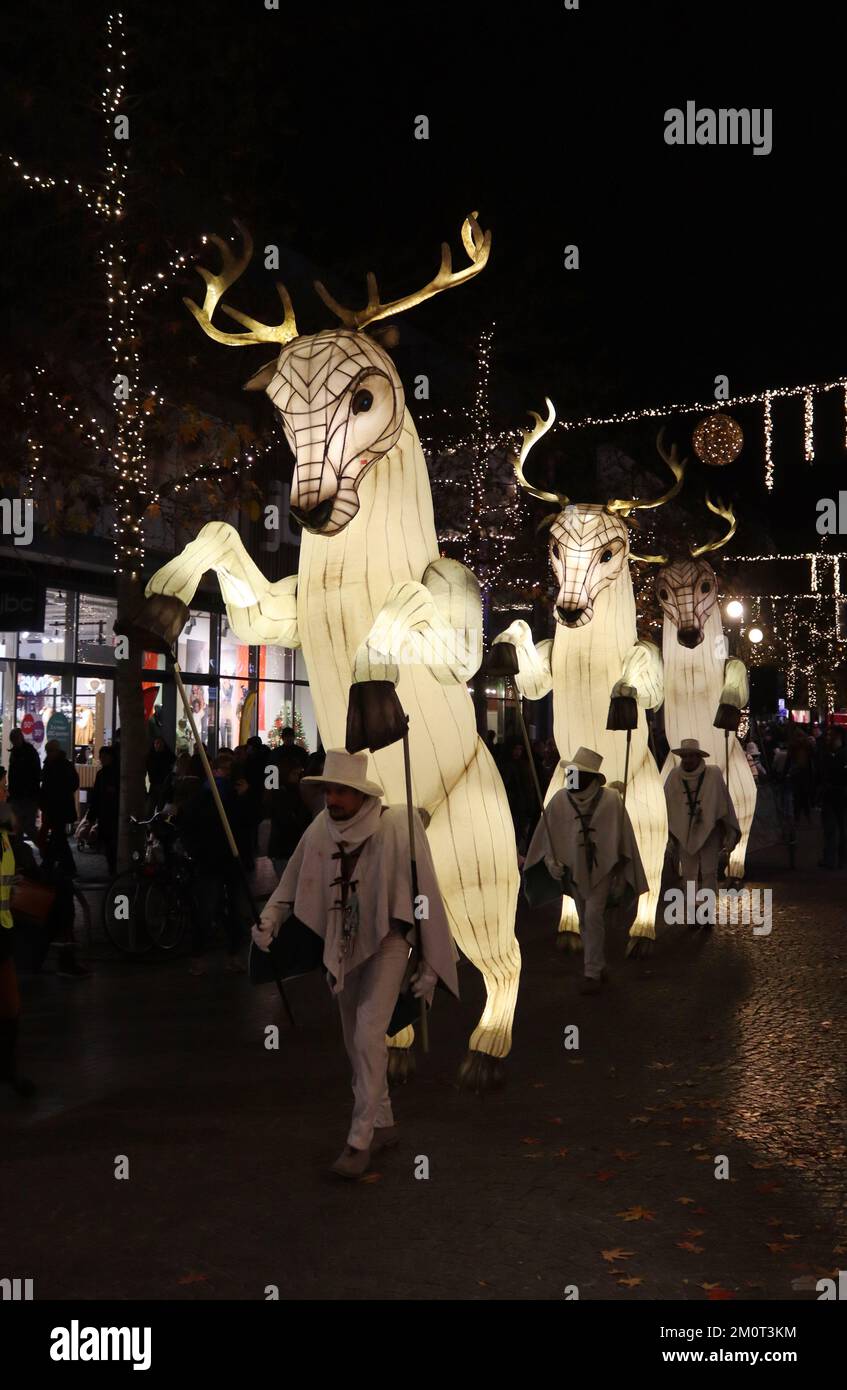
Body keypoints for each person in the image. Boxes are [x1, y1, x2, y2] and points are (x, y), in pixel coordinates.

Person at [253, 749, 459, 1179]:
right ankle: (383, 1122)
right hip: (341, 947)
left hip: (387, 943)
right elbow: (292, 881)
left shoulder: (395, 828)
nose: (333, 799)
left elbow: (424, 892)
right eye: (328, 790)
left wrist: (429, 961)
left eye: (341, 791)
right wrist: (271, 916)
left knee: (367, 1033)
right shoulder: (320, 830)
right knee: (354, 1040)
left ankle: (359, 1140)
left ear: (360, 794)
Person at [523, 747, 647, 994]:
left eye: (576, 773)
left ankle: (591, 972)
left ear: (589, 777)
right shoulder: (560, 799)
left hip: (602, 872)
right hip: (573, 870)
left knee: (592, 916)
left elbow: (623, 837)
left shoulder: (611, 800)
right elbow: (549, 835)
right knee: (585, 918)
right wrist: (551, 862)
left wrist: (621, 872)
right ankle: (598, 965)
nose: (571, 777)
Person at [179, 751, 250, 975]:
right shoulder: (203, 797)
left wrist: (244, 798)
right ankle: (199, 956)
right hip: (210, 861)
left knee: (236, 910)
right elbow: (190, 824)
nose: (223, 775)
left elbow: (247, 824)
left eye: (228, 771)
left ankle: (233, 954)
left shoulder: (234, 797)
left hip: (231, 861)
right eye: (221, 770)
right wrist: (196, 852)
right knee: (207, 909)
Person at [664, 738, 741, 926]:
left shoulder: (713, 774)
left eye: (692, 756)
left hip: (710, 832)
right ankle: (692, 914)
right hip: (684, 833)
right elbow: (667, 806)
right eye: (685, 756)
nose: (688, 759)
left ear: (698, 756)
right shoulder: (674, 777)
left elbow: (723, 802)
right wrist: (670, 833)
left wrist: (726, 828)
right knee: (689, 875)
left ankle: (706, 913)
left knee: (708, 872)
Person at [0, 768, 36, 1096]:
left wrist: (14, 886)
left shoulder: (3, 832)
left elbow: (14, 823)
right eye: (1, 787)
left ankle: (8, 1069)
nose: (5, 792)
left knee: (10, 1006)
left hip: (3, 928)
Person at [266, 753, 312, 879]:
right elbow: (286, 821)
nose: (297, 777)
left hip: (284, 847)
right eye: (295, 774)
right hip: (285, 848)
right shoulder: (282, 793)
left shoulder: (286, 791)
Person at [39, 739, 79, 879]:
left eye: (50, 751)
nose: (49, 754)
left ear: (56, 751)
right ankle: (56, 864)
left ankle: (55, 864)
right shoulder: (57, 765)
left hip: (58, 807)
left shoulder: (60, 765)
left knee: (58, 837)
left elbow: (72, 784)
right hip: (57, 807)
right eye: (48, 751)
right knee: (58, 837)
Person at [818, 725, 847, 870]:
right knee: (831, 829)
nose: (828, 738)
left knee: (841, 829)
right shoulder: (826, 754)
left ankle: (839, 859)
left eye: (831, 736)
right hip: (830, 795)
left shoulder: (841, 754)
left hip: (840, 794)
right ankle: (831, 859)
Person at [87, 745, 119, 875]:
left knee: (112, 844)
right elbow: (96, 796)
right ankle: (112, 869)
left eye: (105, 756)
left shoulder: (116, 773)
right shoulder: (101, 774)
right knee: (108, 844)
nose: (102, 759)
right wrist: (91, 816)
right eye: (101, 756)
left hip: (113, 814)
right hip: (105, 814)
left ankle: (114, 870)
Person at [7, 729, 41, 842]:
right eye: (13, 740)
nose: (15, 742)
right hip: (20, 796)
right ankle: (21, 855)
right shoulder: (18, 753)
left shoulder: (27, 753)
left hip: (27, 796)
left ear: (20, 738)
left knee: (27, 827)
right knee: (20, 828)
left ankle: (44, 851)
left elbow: (35, 774)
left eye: (16, 739)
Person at [146, 736, 175, 816]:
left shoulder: (168, 756)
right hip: (154, 785)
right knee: (150, 808)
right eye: (156, 743)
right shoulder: (151, 756)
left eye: (159, 743)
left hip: (164, 785)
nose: (158, 745)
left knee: (160, 809)